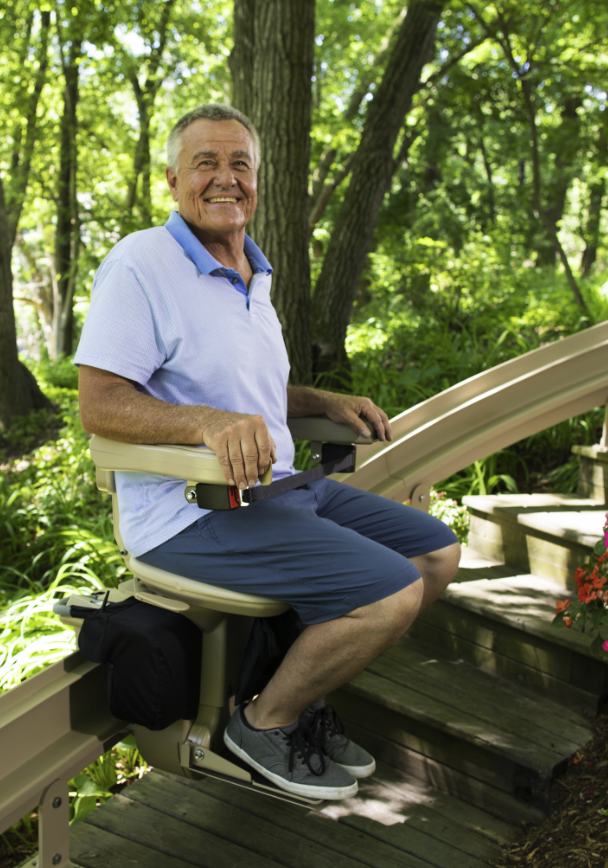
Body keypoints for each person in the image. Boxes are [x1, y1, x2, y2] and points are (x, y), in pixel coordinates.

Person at [75, 103, 460, 801]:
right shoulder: (141, 264)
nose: (226, 178)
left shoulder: (255, 272)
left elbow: (251, 392)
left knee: (433, 554)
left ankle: (298, 694)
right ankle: (263, 723)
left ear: (257, 180)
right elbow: (99, 404)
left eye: (240, 164)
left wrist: (320, 403)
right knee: (390, 593)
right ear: (172, 180)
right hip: (193, 512)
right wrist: (206, 424)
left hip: (280, 490)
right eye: (206, 163)